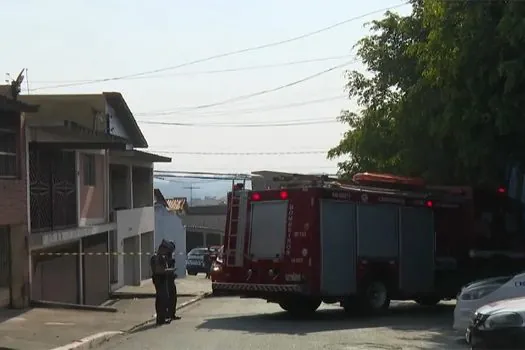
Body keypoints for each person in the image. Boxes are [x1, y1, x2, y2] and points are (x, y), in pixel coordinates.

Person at [150, 240, 175, 325]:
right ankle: (161, 318)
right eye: (165, 249)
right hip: (160, 279)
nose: (166, 252)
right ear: (162, 249)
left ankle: (162, 318)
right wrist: (169, 271)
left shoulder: (160, 257)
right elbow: (158, 270)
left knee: (163, 299)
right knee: (162, 299)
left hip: (160, 279)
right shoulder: (157, 258)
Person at [166, 240, 180, 320]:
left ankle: (172, 314)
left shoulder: (171, 256)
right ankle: (168, 314)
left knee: (173, 298)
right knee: (169, 298)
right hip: (167, 280)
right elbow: (165, 269)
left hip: (171, 279)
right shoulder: (166, 257)